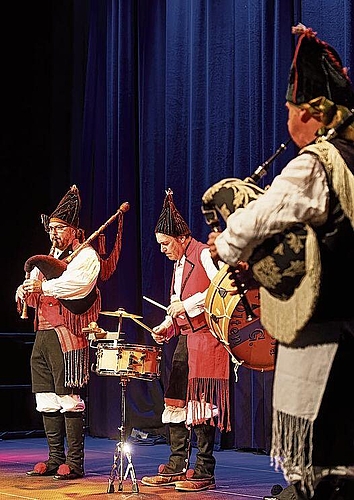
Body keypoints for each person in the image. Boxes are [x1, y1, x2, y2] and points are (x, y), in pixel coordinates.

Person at [208, 24, 354, 500]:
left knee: (320, 464)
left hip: (324, 332)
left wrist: (224, 246)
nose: (287, 117)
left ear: (311, 112)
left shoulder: (318, 162)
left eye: (290, 109)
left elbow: (257, 220)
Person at [141, 188, 231, 492]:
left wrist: (188, 304)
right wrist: (166, 325)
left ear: (180, 238)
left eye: (166, 244)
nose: (164, 250)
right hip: (185, 338)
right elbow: (175, 305)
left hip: (208, 339)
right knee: (177, 400)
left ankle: (204, 470)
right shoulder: (178, 264)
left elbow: (222, 288)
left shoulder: (203, 253)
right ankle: (177, 463)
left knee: (202, 403)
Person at [15, 185, 101, 480]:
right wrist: (25, 289)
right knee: (46, 397)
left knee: (67, 397)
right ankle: (54, 458)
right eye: (51, 228)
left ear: (75, 230)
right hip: (42, 333)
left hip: (66, 335)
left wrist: (44, 287)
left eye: (60, 228)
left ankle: (74, 463)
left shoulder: (85, 256)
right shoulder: (49, 256)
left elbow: (78, 285)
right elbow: (33, 282)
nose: (54, 233)